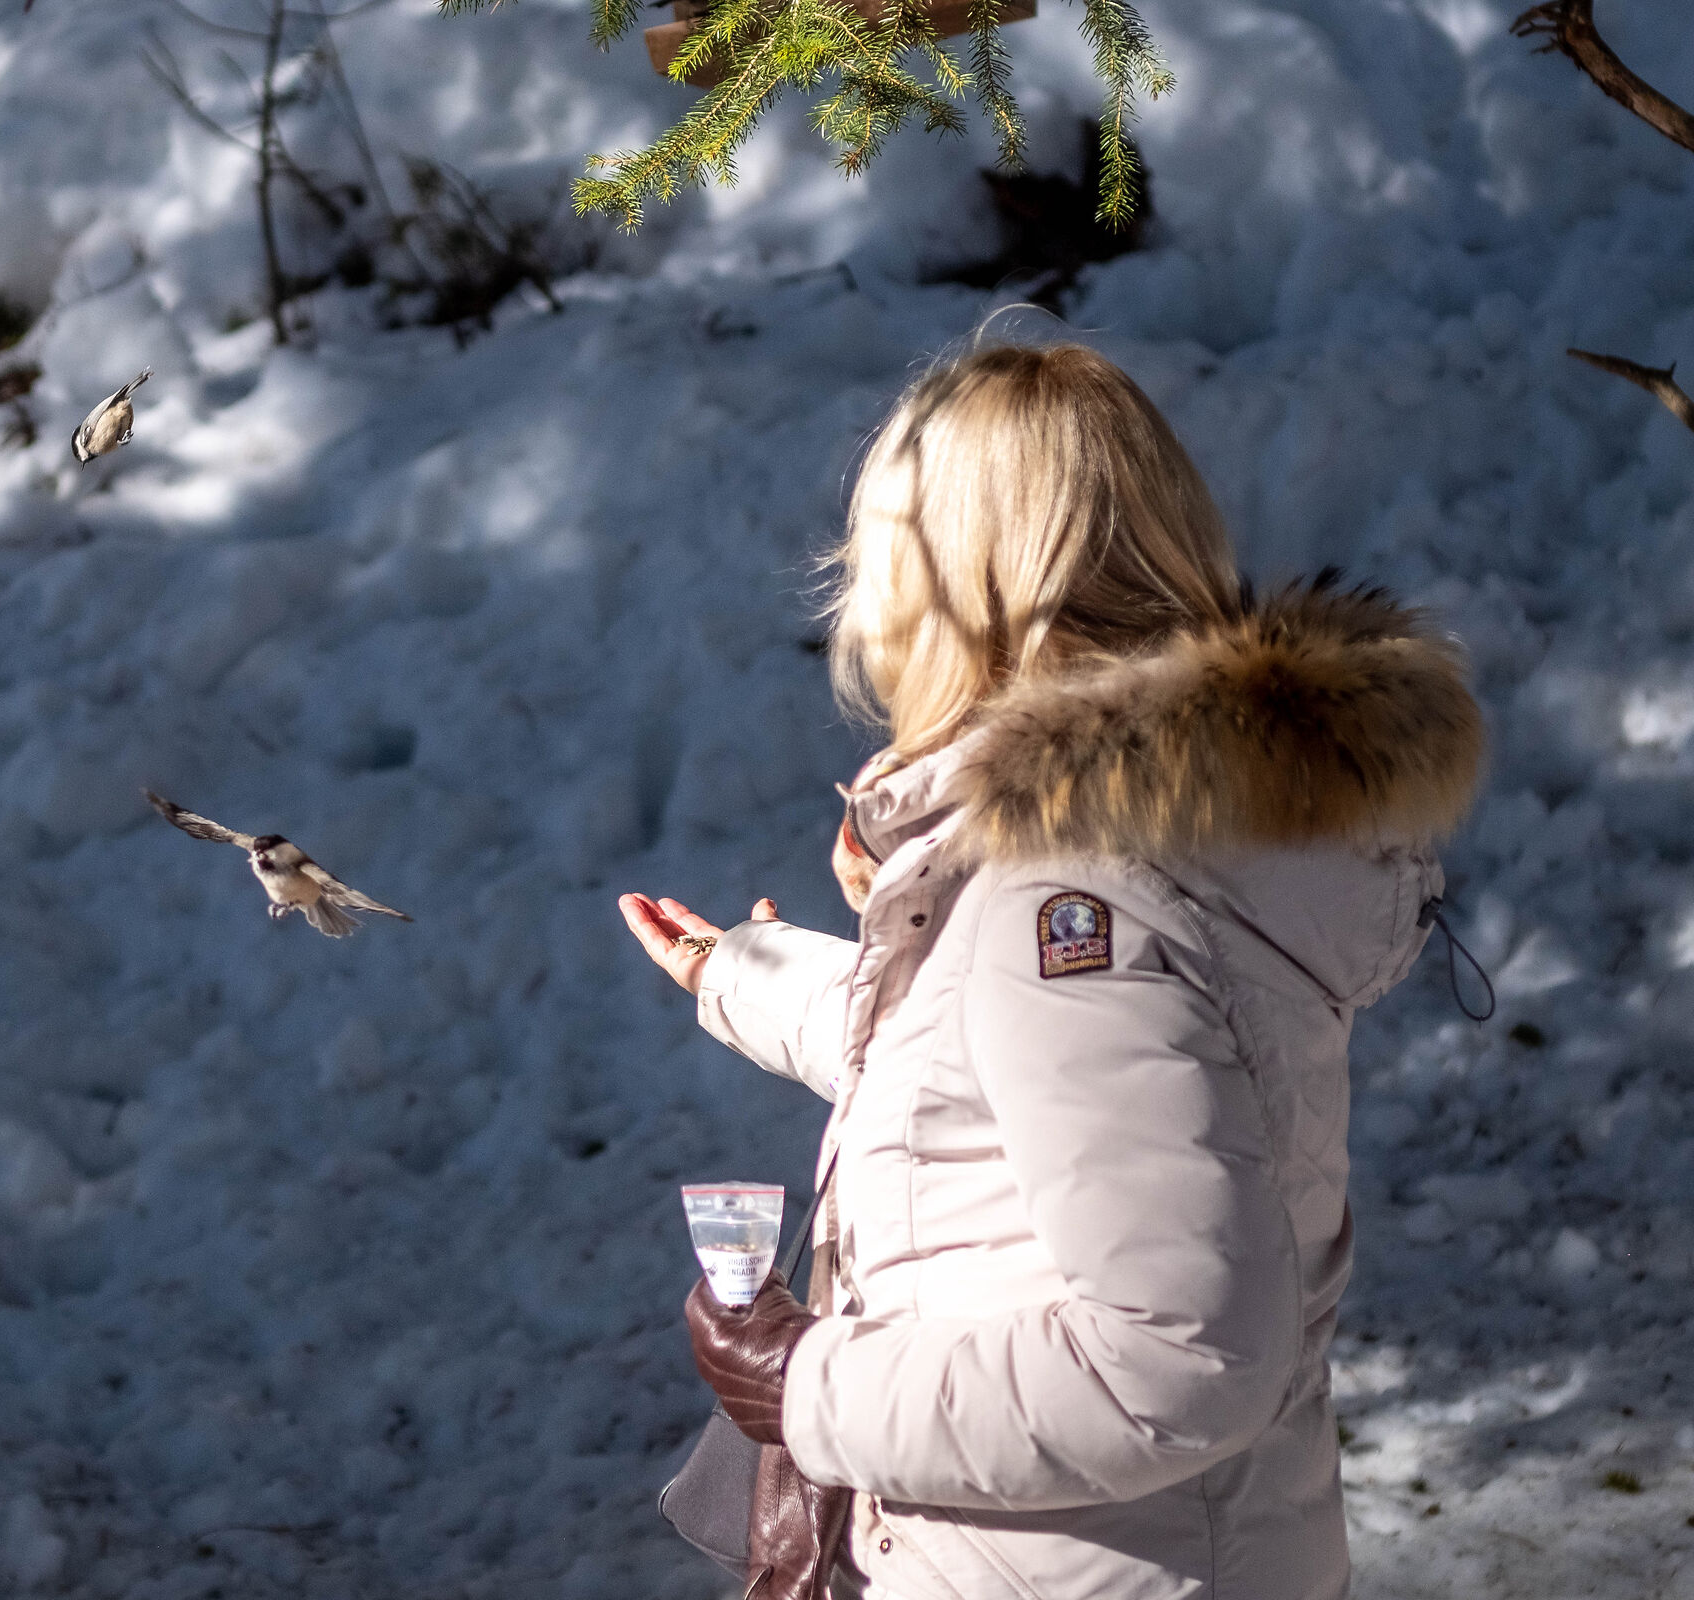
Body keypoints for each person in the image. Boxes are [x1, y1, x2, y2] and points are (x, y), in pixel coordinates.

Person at [620, 341, 1482, 1600]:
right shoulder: (1169, 842)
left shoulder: (1067, 905)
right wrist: (744, 974)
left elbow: (1176, 1358)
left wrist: (806, 1382)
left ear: (946, 587)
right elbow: (988, 1090)